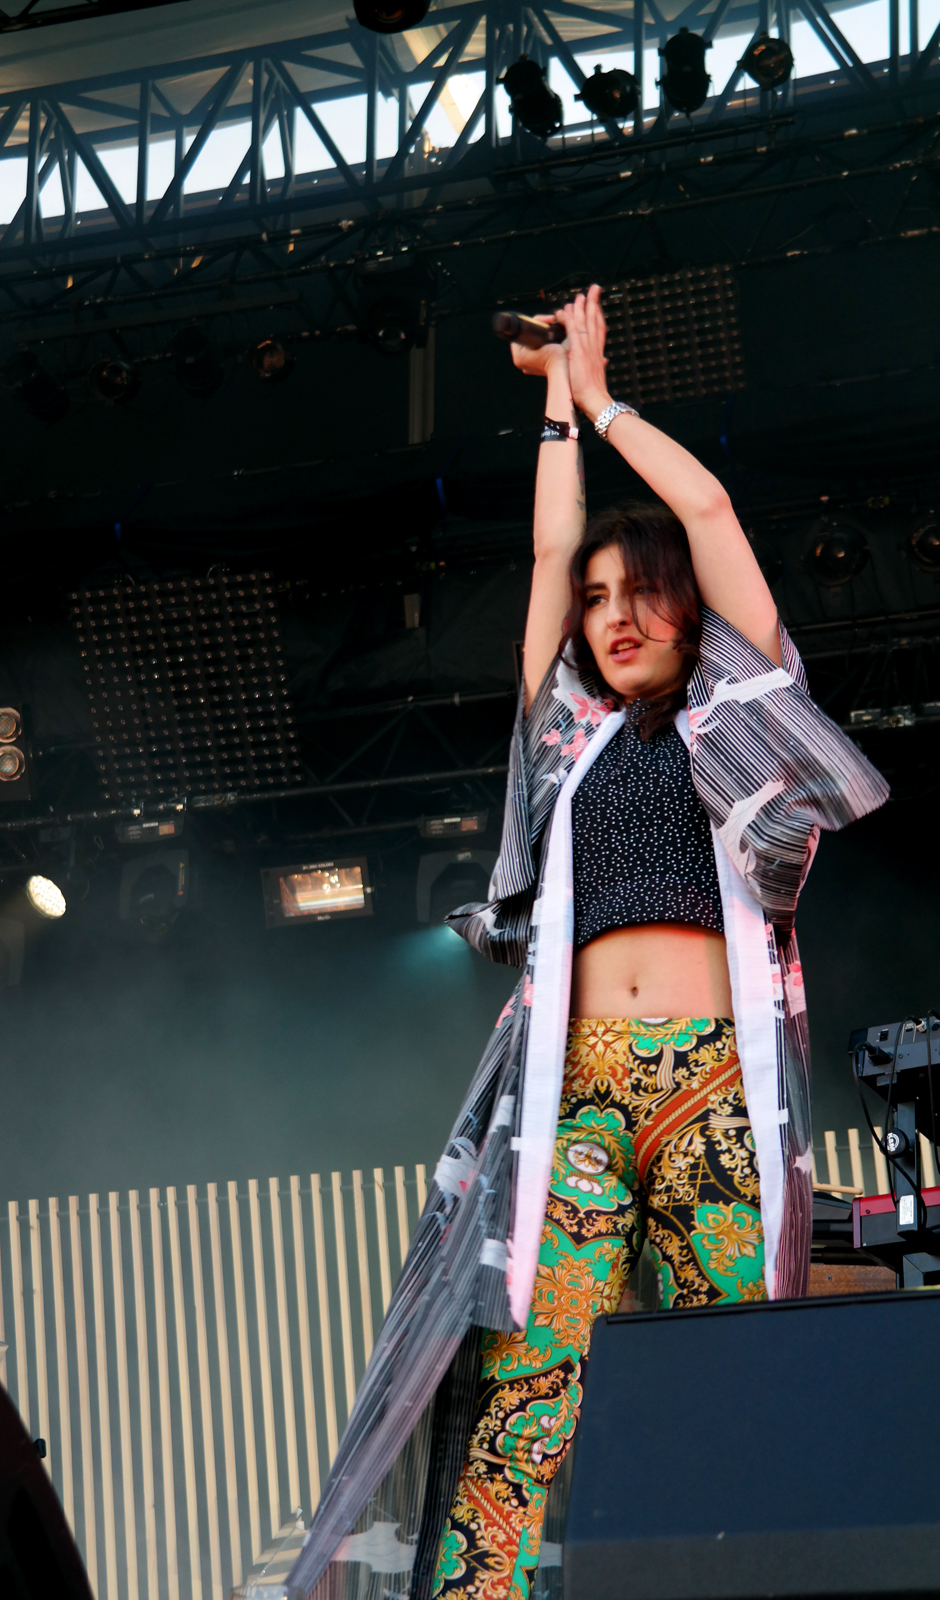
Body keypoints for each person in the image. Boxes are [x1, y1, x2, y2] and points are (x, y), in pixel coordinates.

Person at [290, 289, 889, 1600]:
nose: (612, 615)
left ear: (690, 610)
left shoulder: (742, 705)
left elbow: (710, 512)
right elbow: (552, 552)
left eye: (642, 594)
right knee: (528, 1381)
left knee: (734, 1366)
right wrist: (553, 402)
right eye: (600, 601)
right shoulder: (568, 732)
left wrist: (607, 397)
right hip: (577, 1094)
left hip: (712, 1085)